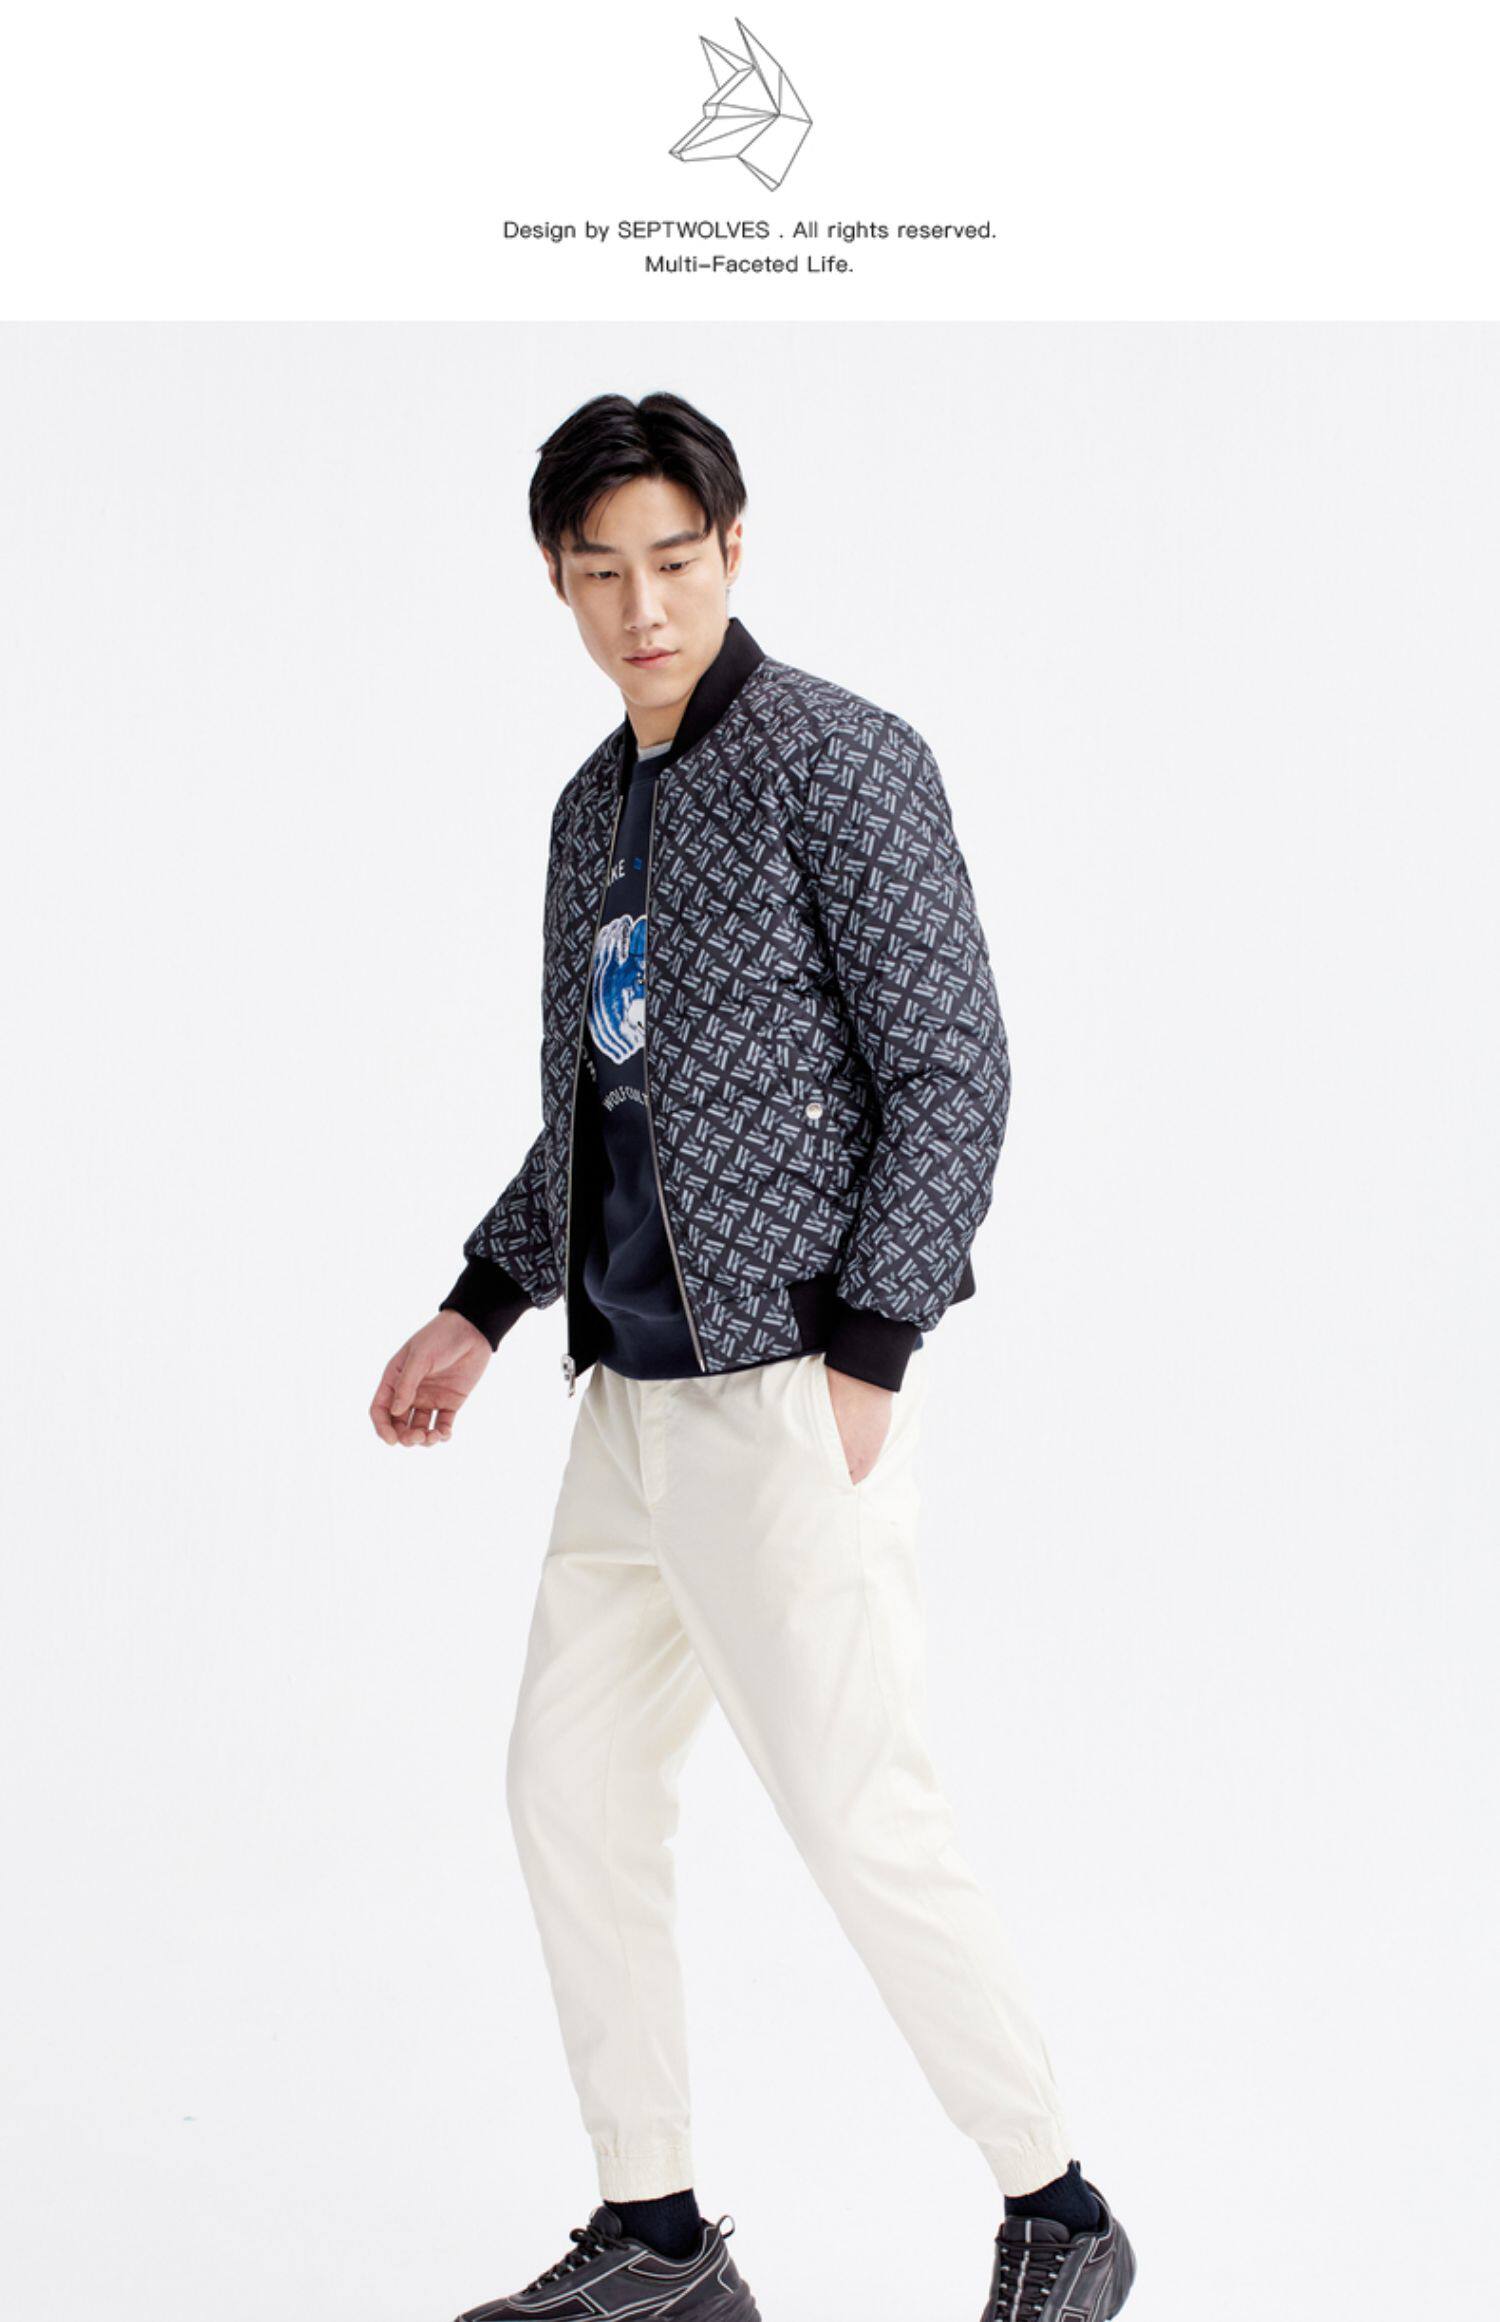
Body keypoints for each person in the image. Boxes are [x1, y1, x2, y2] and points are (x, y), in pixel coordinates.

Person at [369, 390, 1136, 2322]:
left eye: (674, 562)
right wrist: (481, 1300)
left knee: (859, 1812)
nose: (643, 608)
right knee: (567, 1787)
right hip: (627, 1404)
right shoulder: (589, 812)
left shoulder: (838, 758)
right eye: (601, 573)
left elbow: (951, 1068)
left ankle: (1060, 2208)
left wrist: (866, 1355)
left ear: (733, 546)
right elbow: (597, 1101)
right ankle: (658, 2240)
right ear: (557, 583)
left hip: (786, 1390)